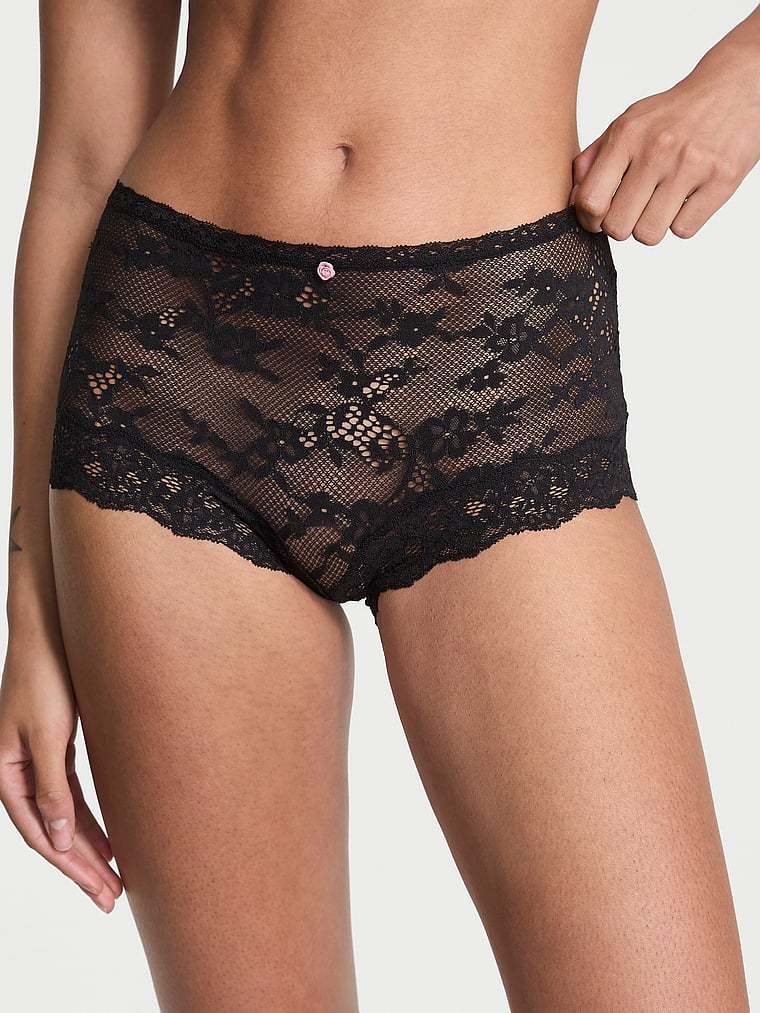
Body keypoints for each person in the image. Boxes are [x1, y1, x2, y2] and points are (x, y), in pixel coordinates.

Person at [1, 2, 757, 1009]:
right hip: (172, 370)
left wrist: (745, 77)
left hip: (490, 361)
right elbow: (83, 153)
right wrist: (33, 597)